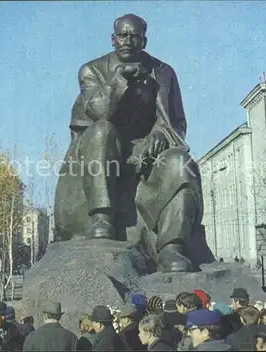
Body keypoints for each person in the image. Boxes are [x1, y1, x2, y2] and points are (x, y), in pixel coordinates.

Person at [54, 13, 205, 273]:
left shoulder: (163, 72)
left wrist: (160, 135)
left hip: (149, 149)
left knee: (182, 164)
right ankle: (102, 217)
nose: (128, 40)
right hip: (99, 149)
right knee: (103, 130)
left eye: (134, 36)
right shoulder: (92, 70)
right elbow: (98, 112)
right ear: (113, 39)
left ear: (144, 41)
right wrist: (119, 79)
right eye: (122, 35)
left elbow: (177, 121)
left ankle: (171, 246)